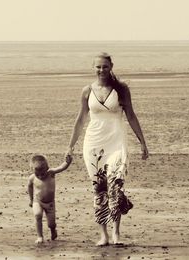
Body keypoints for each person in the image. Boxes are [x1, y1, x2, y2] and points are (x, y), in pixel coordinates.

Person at [66, 52, 148, 246]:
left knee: (115, 187)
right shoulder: (87, 91)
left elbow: (132, 116)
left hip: (117, 142)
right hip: (93, 144)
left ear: (111, 66)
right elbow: (80, 120)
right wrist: (70, 146)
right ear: (93, 68)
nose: (101, 70)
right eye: (98, 67)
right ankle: (103, 234)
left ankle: (116, 232)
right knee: (99, 189)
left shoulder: (122, 89)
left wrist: (143, 142)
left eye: (104, 66)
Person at [27, 154, 73, 244]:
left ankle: (53, 230)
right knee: (37, 215)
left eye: (42, 173)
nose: (40, 176)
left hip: (50, 203)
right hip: (38, 201)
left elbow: (61, 168)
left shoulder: (51, 173)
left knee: (51, 223)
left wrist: (67, 162)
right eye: (37, 174)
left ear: (47, 168)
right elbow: (29, 187)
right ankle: (40, 236)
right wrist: (31, 199)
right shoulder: (32, 178)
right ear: (32, 170)